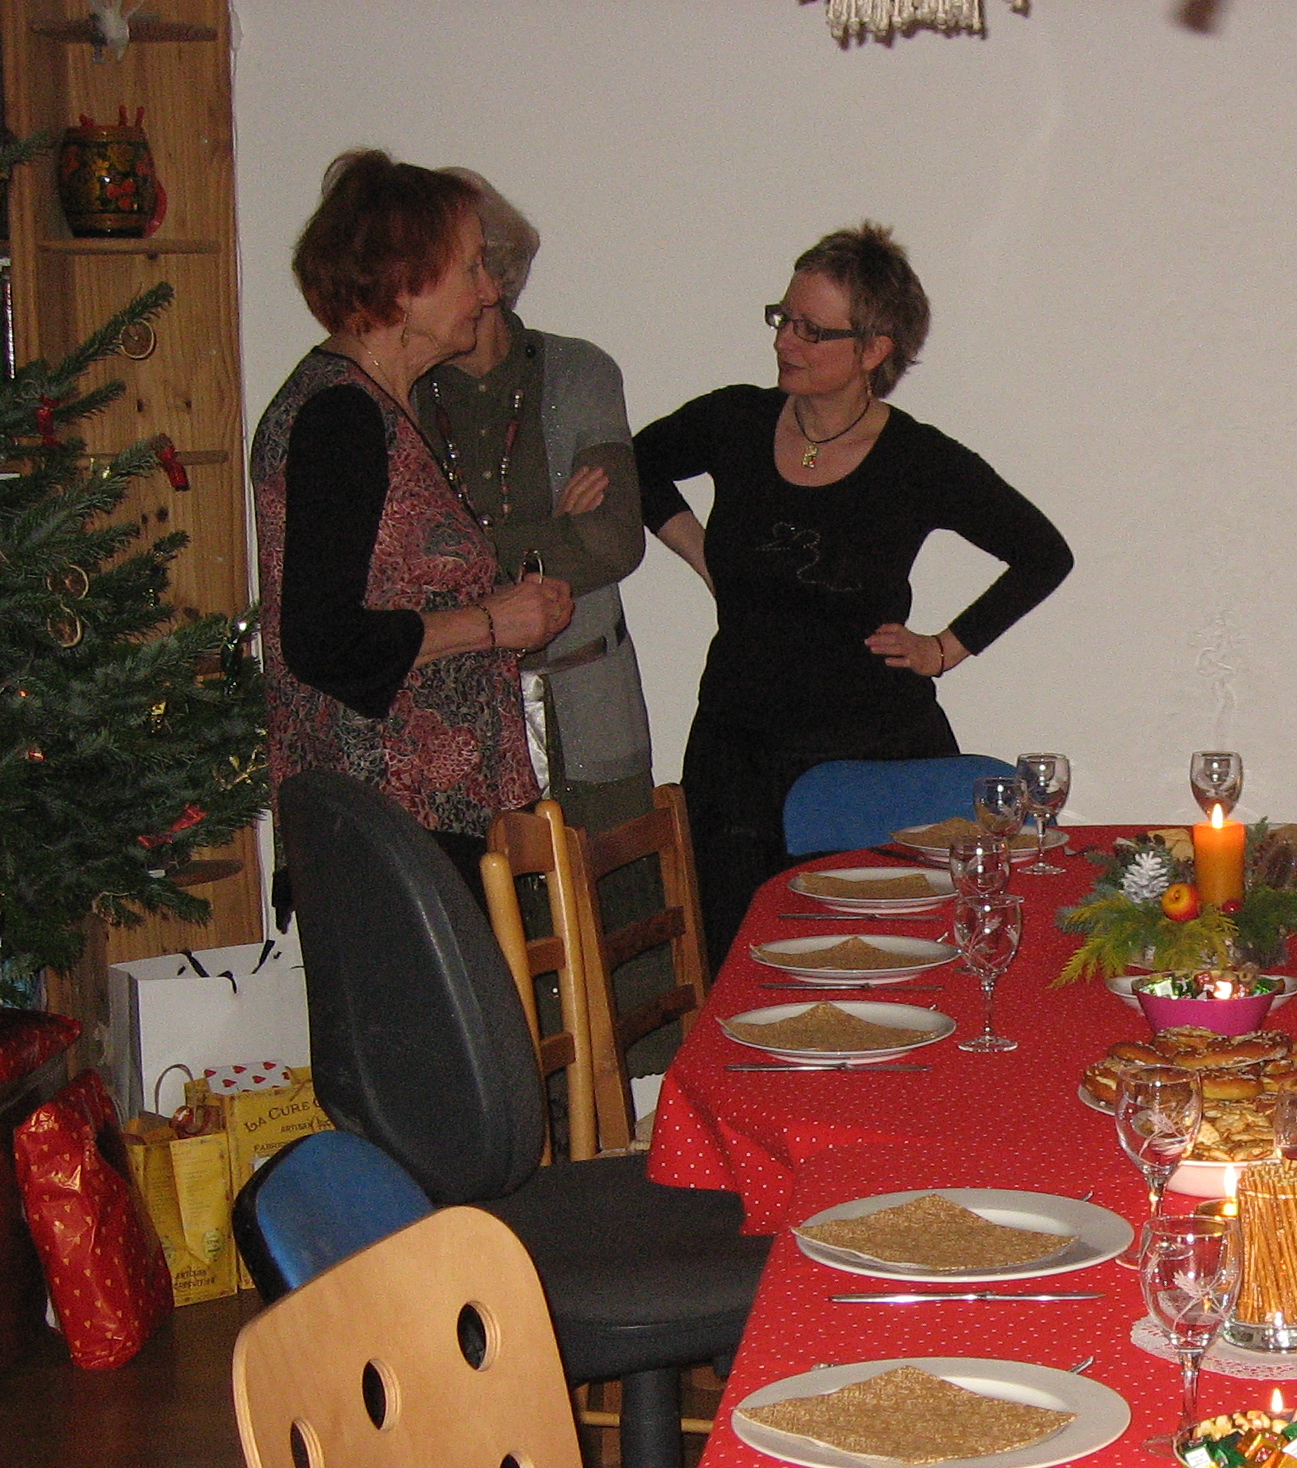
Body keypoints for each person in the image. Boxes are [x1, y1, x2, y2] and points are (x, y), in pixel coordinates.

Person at [635, 222, 1073, 965]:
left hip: (871, 761)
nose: (786, 340)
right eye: (783, 318)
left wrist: (945, 649)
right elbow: (638, 464)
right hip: (737, 757)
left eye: (813, 329)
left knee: (888, 966)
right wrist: (708, 557)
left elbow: (1043, 554)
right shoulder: (735, 421)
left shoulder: (916, 460)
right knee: (741, 967)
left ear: (874, 350)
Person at [250, 151, 572, 896]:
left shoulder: (368, 404)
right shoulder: (342, 417)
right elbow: (321, 641)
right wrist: (491, 623)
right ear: (403, 283)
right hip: (389, 829)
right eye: (471, 268)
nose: (490, 291)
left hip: (411, 826)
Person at [414, 170, 657, 838]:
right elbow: (406, 574)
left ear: (488, 277)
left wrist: (467, 551)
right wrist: (552, 529)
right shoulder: (401, 395)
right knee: (482, 899)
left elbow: (612, 541)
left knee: (614, 896)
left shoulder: (579, 371)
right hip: (455, 725)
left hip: (592, 709)